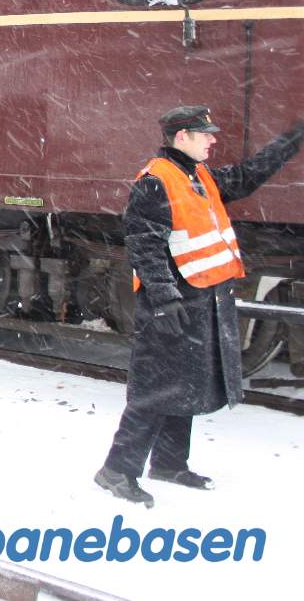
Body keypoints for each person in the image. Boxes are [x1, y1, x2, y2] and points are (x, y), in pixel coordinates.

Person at [95, 106, 304, 507]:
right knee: (155, 390)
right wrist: (164, 300)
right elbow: (145, 247)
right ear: (181, 137)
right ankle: (117, 470)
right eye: (204, 134)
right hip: (172, 304)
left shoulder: (198, 176)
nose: (212, 140)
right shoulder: (156, 182)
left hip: (199, 297)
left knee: (183, 383)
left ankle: (170, 464)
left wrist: (289, 142)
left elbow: (245, 178)